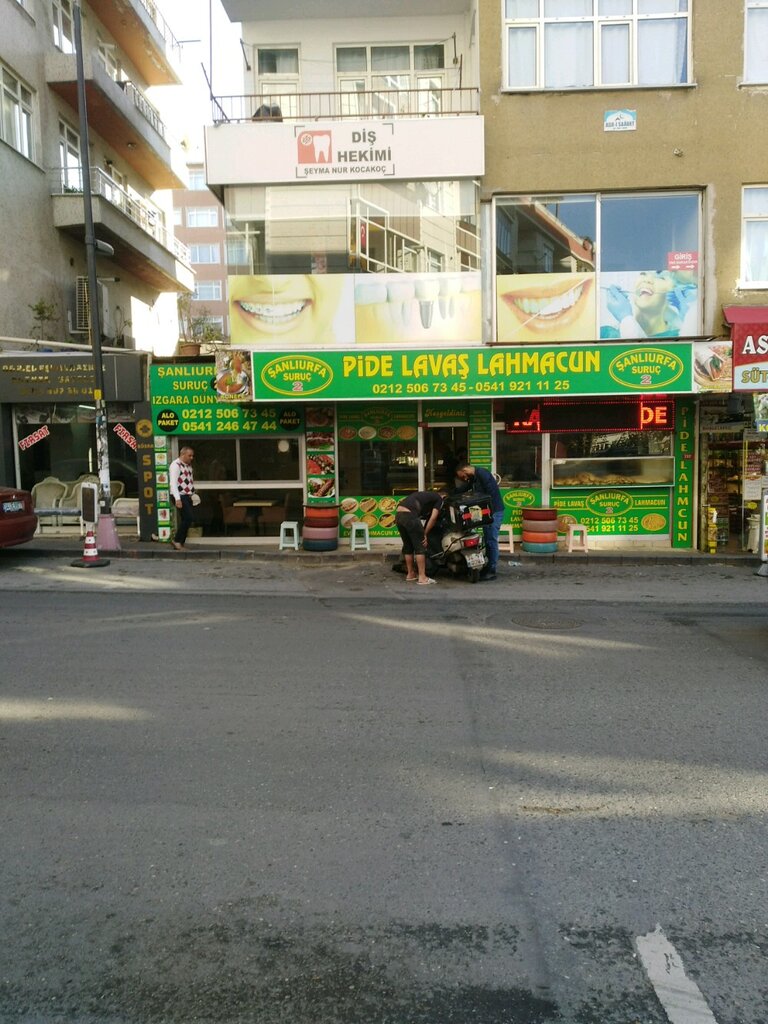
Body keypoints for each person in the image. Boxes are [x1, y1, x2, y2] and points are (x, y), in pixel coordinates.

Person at [601, 270, 697, 339]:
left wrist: (626, 318)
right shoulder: (605, 334)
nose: (647, 279)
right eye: (643, 274)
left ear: (674, 292)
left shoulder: (681, 338)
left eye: (661, 278)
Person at [455, 463, 504, 581]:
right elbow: (466, 487)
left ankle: (491, 570)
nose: (464, 478)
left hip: (494, 512)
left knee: (491, 540)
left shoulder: (482, 474)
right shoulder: (474, 476)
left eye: (463, 476)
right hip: (487, 512)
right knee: (487, 540)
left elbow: (489, 494)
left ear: (465, 469)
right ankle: (487, 567)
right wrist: (451, 494)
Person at [395, 490, 444, 585]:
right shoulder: (439, 498)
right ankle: (422, 577)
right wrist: (424, 533)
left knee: (408, 545)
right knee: (420, 546)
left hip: (398, 515)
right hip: (409, 515)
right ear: (443, 496)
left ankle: (410, 574)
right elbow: (433, 518)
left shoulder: (425, 495)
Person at [169, 446, 196, 551]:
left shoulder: (188, 466)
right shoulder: (176, 465)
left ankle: (180, 542)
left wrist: (192, 493)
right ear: (182, 454)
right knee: (188, 517)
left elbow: (189, 480)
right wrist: (177, 498)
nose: (191, 457)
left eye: (192, 455)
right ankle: (177, 541)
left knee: (187, 519)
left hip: (186, 495)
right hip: (180, 495)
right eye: (189, 455)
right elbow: (173, 483)